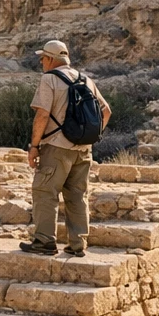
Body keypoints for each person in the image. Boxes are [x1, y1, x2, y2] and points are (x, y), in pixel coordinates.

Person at [21, 40, 112, 258]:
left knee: (45, 192)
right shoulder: (86, 79)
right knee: (77, 196)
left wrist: (34, 146)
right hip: (83, 149)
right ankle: (78, 244)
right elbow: (106, 111)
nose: (41, 62)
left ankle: (44, 241)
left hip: (56, 146)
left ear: (51, 59)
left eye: (42, 58)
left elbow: (42, 114)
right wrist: (89, 136)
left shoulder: (50, 79)